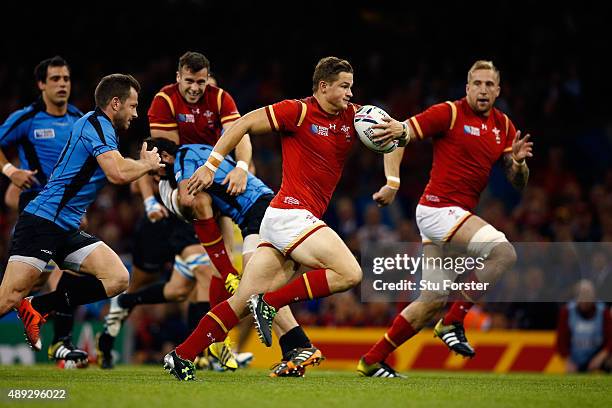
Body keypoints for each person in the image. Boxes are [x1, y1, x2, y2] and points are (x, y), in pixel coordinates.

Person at [161, 56, 364, 381]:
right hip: (291, 214)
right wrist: (213, 165)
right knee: (350, 273)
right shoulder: (297, 111)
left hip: (278, 219)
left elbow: (396, 133)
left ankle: (181, 356)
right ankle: (270, 303)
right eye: (344, 86)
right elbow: (241, 125)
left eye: (351, 87)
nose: (350, 94)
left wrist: (395, 150)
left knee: (241, 300)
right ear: (324, 86)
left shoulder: (353, 116)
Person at [357, 60, 533, 377]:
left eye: (489, 85)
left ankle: (372, 359)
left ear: (498, 90)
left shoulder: (504, 126)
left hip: (453, 217)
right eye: (477, 83)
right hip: (438, 209)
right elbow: (400, 135)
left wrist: (519, 165)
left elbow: (517, 181)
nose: (483, 89)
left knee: (431, 301)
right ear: (467, 88)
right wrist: (393, 182)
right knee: (503, 253)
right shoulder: (448, 113)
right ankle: (453, 321)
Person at [0, 74, 163, 354]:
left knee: (117, 278)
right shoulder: (95, 125)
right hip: (43, 221)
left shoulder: (101, 128)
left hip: (65, 227)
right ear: (115, 103)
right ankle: (34, 310)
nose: (136, 114)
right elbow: (117, 172)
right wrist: (147, 165)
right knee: (8, 298)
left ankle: (38, 307)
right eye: (133, 106)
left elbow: (119, 166)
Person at [0, 56, 88, 366]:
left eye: (66, 78)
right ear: (41, 84)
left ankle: (62, 345)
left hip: (65, 213)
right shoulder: (27, 118)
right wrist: (11, 171)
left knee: (64, 276)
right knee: (16, 292)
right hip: (37, 210)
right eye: (55, 79)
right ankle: (60, 343)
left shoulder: (79, 119)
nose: (62, 84)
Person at [556, 279, 612, 373]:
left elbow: (610, 338)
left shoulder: (603, 311)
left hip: (598, 357)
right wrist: (568, 360)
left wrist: (601, 356)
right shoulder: (566, 312)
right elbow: (561, 340)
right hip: (575, 359)